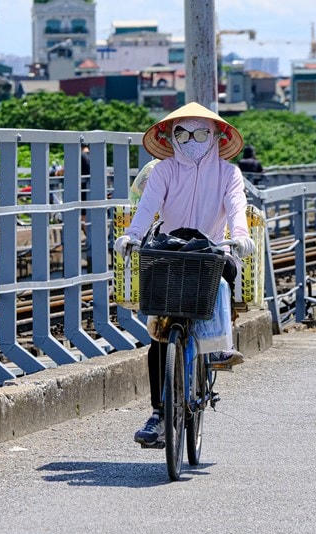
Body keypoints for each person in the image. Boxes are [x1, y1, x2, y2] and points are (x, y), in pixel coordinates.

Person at [112, 102, 255, 446]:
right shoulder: (163, 171)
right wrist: (132, 235)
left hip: (212, 248)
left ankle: (219, 345)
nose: (191, 140)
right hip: (169, 248)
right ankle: (159, 413)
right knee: (160, 334)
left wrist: (241, 235)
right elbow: (147, 207)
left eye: (201, 132)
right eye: (182, 132)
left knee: (222, 280)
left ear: (217, 136)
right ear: (170, 136)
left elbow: (237, 206)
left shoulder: (228, 173)